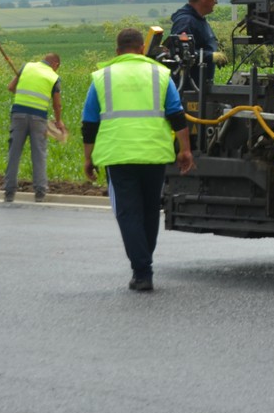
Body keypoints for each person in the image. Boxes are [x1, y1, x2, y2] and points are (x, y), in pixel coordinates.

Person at [81, 27, 194, 292]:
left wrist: (89, 158)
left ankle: (142, 271)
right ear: (142, 48)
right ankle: (144, 263)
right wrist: (185, 150)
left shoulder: (101, 77)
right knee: (148, 211)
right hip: (154, 153)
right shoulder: (160, 74)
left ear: (117, 51)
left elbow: (89, 123)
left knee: (128, 213)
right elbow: (177, 115)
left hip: (118, 156)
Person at [4, 52, 62, 203]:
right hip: (39, 118)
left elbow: (11, 87)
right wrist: (58, 121)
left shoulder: (26, 67)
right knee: (39, 154)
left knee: (14, 153)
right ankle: (40, 193)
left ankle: (9, 192)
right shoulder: (54, 77)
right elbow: (57, 104)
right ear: (55, 64)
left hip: (18, 115)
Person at [170, 0, 228, 87]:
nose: (216, 1)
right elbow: (181, 53)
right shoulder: (186, 22)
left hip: (200, 86)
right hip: (188, 88)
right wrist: (210, 56)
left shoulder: (198, 20)